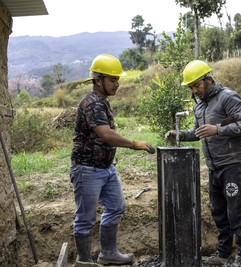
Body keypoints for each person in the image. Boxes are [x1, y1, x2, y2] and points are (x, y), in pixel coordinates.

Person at [165, 60, 241, 266]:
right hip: (214, 168)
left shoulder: (227, 98)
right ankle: (223, 254)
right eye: (191, 87)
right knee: (219, 213)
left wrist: (218, 129)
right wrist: (179, 135)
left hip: (232, 164)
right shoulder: (200, 107)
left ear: (209, 80)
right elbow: (198, 133)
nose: (195, 91)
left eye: (197, 85)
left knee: (236, 212)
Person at [70, 54, 155, 266]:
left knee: (116, 206)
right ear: (98, 80)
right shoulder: (91, 103)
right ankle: (83, 260)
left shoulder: (103, 102)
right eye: (113, 80)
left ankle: (107, 253)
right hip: (87, 169)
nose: (117, 84)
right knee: (85, 218)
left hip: (106, 168)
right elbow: (106, 135)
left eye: (118, 79)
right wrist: (134, 144)